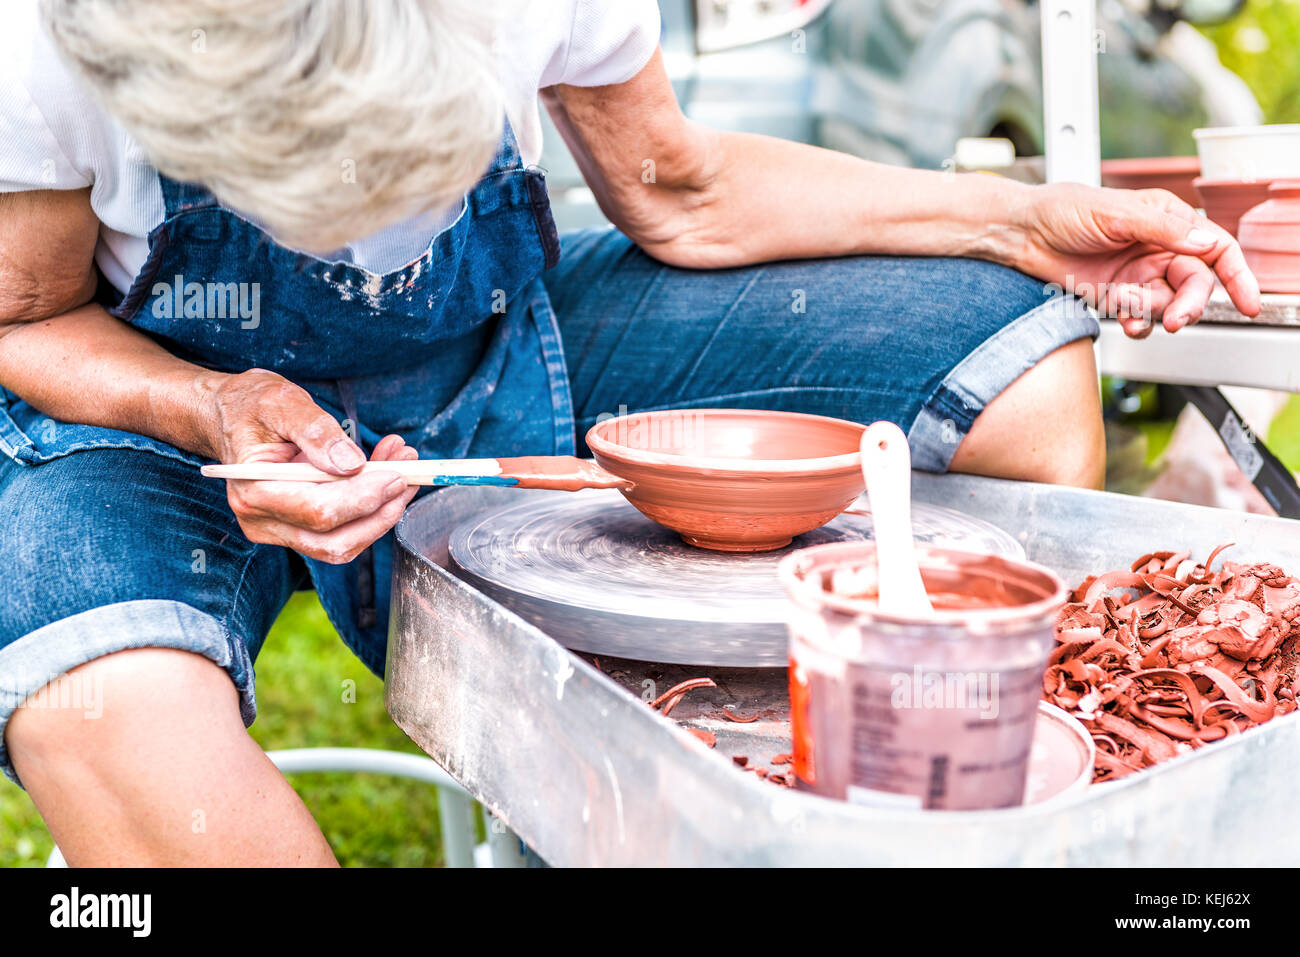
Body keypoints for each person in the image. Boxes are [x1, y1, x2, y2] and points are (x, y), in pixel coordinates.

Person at [0, 0, 1259, 865]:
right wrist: (207, 404)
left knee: (1018, 363)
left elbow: (679, 188)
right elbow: (31, 315)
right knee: (102, 703)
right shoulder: (50, 41)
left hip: (499, 335)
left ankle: (880, 809)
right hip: (155, 396)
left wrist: (1018, 221)